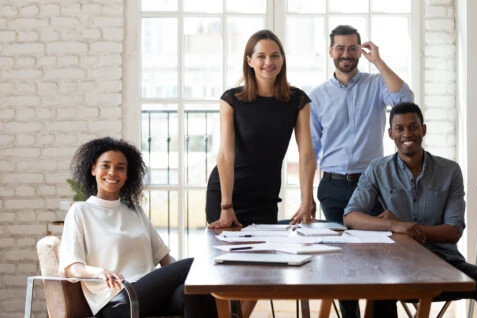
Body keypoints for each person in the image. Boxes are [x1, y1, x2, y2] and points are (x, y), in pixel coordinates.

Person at [343, 102, 477, 318]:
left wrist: (412, 229)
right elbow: (351, 216)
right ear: (391, 133)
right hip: (397, 264)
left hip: (443, 262)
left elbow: (454, 230)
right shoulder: (377, 169)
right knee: (380, 287)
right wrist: (394, 225)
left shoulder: (450, 171)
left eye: (413, 127)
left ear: (424, 130)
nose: (407, 133)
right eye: (400, 128)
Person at [59, 137, 217, 318]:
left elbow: (164, 258)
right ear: (93, 169)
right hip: (117, 301)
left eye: (120, 168)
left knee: (192, 292)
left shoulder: (134, 210)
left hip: (150, 295)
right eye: (106, 166)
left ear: (127, 175)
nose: (112, 172)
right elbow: (71, 267)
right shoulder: (80, 211)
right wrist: (100, 272)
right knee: (193, 265)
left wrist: (179, 278)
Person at [206, 29, 316, 229]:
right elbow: (225, 155)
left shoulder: (298, 100)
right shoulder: (231, 100)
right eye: (261, 56)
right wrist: (226, 205)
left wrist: (307, 199)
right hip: (228, 196)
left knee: (264, 259)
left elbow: (307, 154)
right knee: (228, 258)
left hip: (265, 199)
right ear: (249, 61)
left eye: (275, 55)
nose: (268, 62)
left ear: (282, 59)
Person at [309, 25, 414, 224]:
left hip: (370, 183)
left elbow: (405, 101)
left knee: (371, 248)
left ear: (360, 51)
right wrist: (306, 197)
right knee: (338, 249)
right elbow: (311, 150)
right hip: (333, 185)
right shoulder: (316, 96)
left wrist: (378, 62)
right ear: (331, 51)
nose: (346, 54)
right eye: (340, 48)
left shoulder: (377, 84)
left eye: (352, 48)